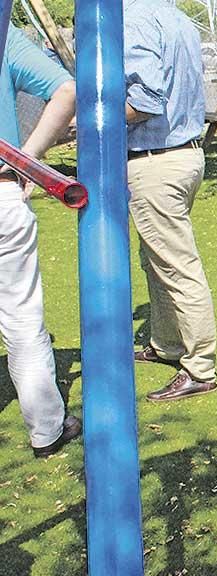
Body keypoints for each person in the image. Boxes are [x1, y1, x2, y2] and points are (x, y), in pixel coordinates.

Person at [125, 0, 217, 401]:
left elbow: (144, 102)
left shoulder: (133, 18)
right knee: (157, 259)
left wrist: (91, 116)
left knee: (177, 264)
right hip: (185, 154)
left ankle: (200, 367)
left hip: (156, 161)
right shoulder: (176, 17)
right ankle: (166, 343)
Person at [0, 26, 80, 458]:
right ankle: (46, 429)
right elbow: (66, 90)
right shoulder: (4, 33)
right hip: (2, 195)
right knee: (22, 323)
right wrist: (25, 162)